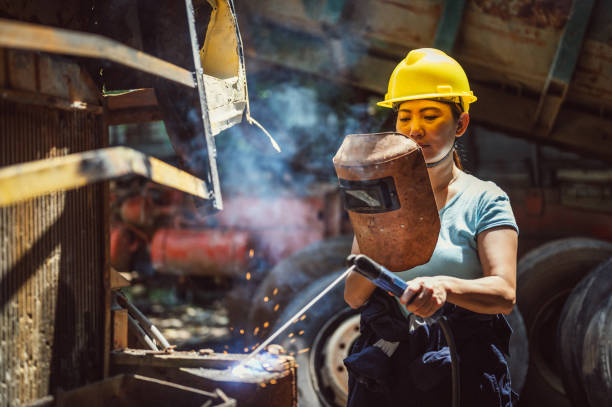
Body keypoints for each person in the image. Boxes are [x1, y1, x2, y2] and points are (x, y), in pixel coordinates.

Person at [342, 48, 519, 406]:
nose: (414, 128)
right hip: (388, 376)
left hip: (459, 375)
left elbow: (505, 293)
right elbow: (353, 295)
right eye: (405, 116)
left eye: (430, 115)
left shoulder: (485, 199)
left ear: (461, 124)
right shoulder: (380, 197)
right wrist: (379, 231)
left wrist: (444, 287)